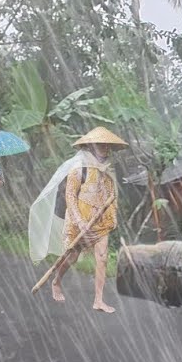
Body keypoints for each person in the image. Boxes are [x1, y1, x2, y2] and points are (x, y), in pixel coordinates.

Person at [49, 127, 128, 312]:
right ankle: (56, 281)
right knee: (72, 257)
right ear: (91, 146)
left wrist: (112, 216)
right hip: (79, 220)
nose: (105, 148)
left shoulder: (108, 170)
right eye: (101, 144)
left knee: (102, 257)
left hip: (100, 221)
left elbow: (110, 196)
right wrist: (79, 221)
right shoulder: (79, 168)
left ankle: (98, 301)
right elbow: (70, 196)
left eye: (107, 145)